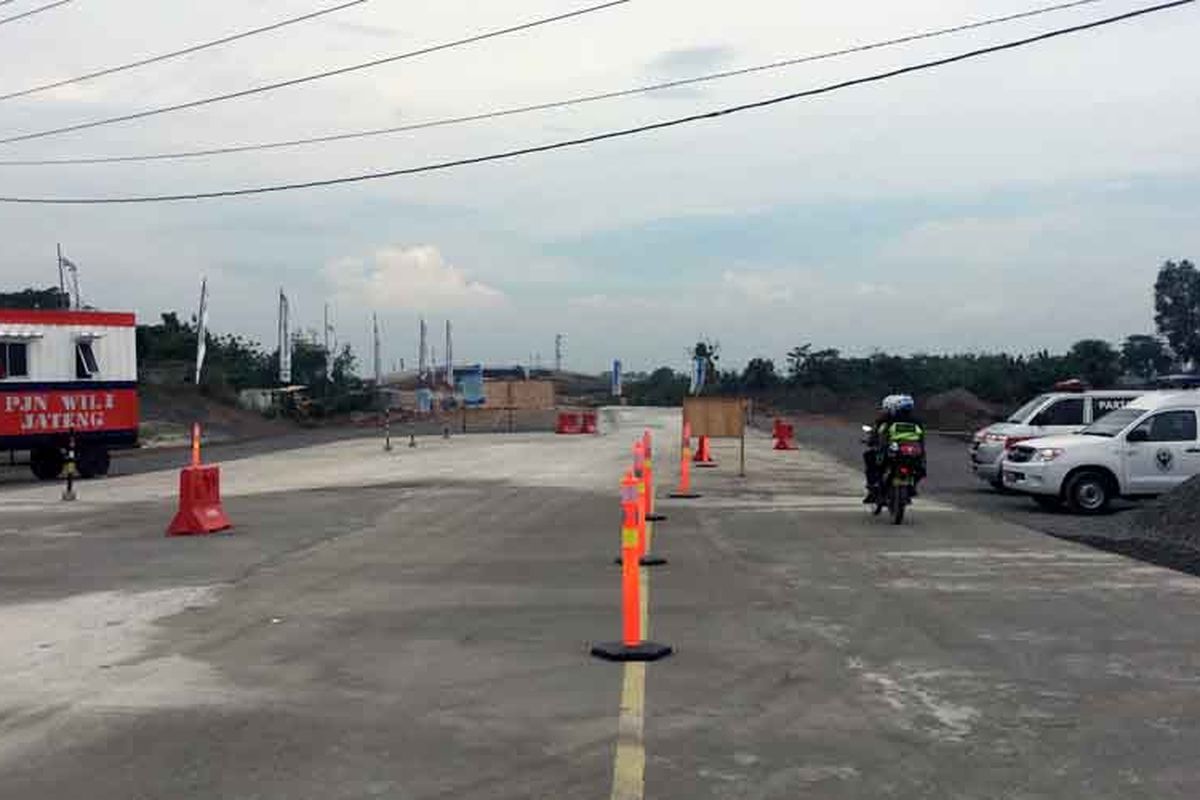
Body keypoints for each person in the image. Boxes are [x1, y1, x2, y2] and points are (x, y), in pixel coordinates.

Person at [863, 394, 926, 503]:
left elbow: (877, 435)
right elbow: (921, 440)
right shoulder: (917, 422)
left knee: (870, 458)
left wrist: (870, 441)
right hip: (913, 455)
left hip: (892, 453)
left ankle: (873, 487)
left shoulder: (886, 420)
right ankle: (911, 487)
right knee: (920, 469)